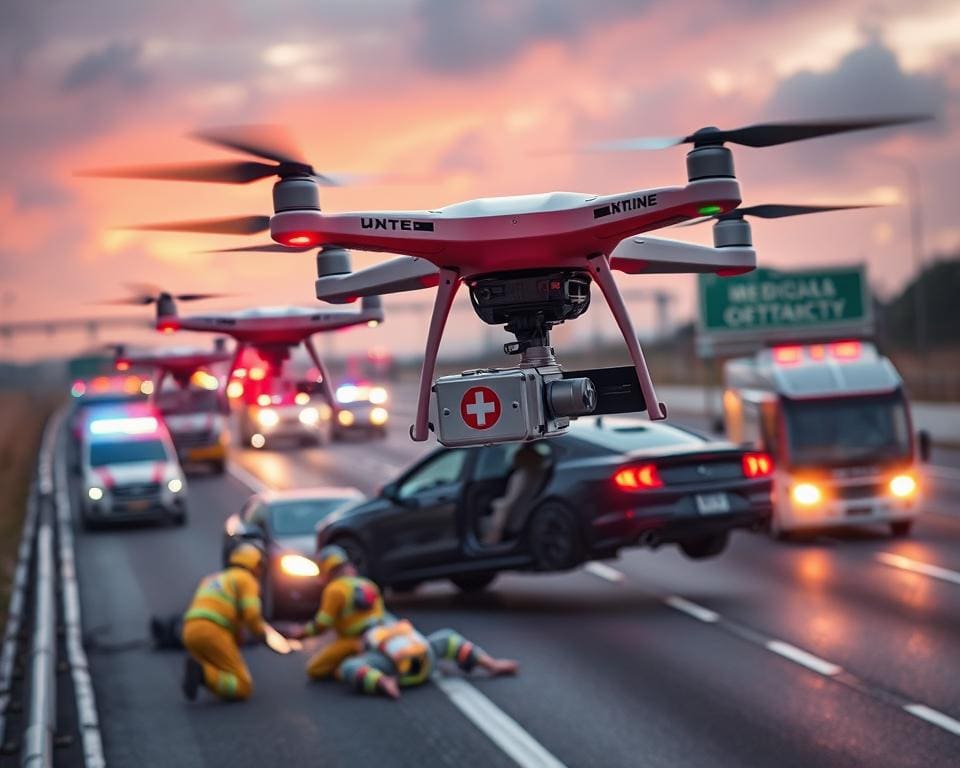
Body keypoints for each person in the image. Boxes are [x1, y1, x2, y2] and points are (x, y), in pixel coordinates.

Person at [338, 618, 518, 699]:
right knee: (448, 638)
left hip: (398, 670)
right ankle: (491, 664)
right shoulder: (397, 626)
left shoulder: (369, 636)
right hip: (427, 657)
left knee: (349, 665)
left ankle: (382, 682)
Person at [180, 542, 267, 702]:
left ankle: (204, 674)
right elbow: (251, 614)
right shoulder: (246, 579)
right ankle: (202, 674)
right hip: (212, 631)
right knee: (243, 686)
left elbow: (228, 611)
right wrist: (261, 634)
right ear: (255, 564)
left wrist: (237, 635)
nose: (261, 571)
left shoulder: (213, 578)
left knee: (221, 671)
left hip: (189, 631)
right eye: (260, 566)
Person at [286, 545, 387, 680]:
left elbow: (322, 624)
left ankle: (346, 671)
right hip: (379, 637)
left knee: (314, 669)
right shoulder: (367, 584)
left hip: (352, 640)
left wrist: (301, 633)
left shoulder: (334, 589)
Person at [482, 442, 550, 545]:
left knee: (497, 507)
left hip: (516, 521)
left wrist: (495, 504)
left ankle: (491, 542)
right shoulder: (541, 473)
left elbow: (509, 502)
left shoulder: (520, 475)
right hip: (530, 515)